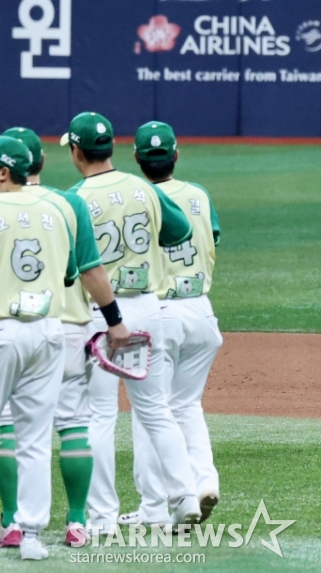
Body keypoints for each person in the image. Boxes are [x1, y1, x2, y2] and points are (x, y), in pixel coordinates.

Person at [0, 136, 128, 560]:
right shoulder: (61, 208)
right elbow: (71, 274)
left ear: (4, 172)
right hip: (49, 332)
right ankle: (32, 537)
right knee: (35, 436)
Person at [57, 112, 202, 531]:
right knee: (156, 408)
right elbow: (178, 233)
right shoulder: (144, 188)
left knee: (99, 414)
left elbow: (70, 266)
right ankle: (185, 497)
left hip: (102, 314)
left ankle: (102, 517)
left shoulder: (74, 198)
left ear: (76, 151)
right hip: (148, 309)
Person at [116, 121, 224, 524]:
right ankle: (204, 481)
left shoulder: (136, 199)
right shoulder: (198, 194)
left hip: (159, 314)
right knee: (186, 405)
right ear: (176, 154)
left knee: (150, 410)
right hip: (201, 311)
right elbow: (213, 238)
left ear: (136, 158)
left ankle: (153, 508)